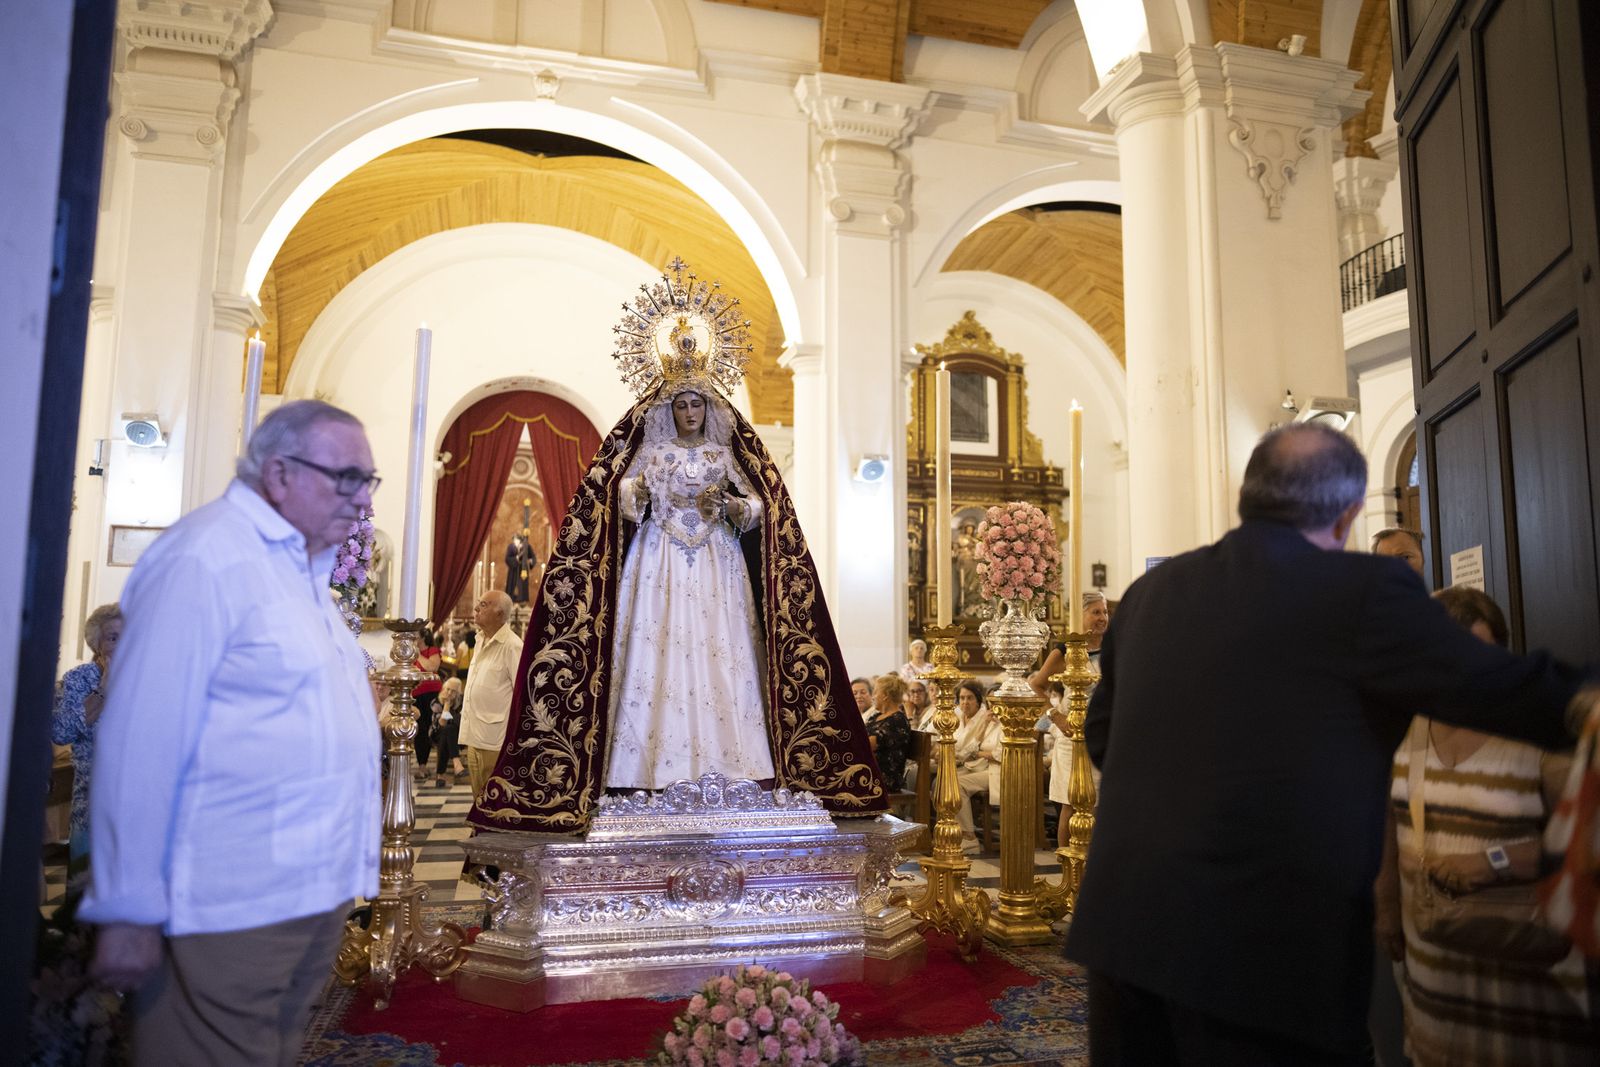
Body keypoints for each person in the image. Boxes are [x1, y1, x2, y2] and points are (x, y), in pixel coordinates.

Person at [1068, 422, 1597, 1065]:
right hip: (1270, 952)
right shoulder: (1364, 591)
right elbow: (1494, 684)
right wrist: (1583, 701)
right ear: (1348, 514)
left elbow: (1103, 736)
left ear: (1249, 495)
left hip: (1125, 935)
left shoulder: (1152, 593)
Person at [472, 265, 883, 833]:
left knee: (722, 654)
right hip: (659, 561)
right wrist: (637, 491)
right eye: (682, 404)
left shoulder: (723, 453)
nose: (690, 412)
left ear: (708, 408)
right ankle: (642, 770)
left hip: (716, 560)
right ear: (669, 408)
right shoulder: (651, 451)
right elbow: (618, 499)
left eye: (697, 404)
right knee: (657, 649)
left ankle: (738, 768)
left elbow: (761, 507)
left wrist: (731, 508)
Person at [81, 400, 381, 1067]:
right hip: (229, 896)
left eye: (369, 481)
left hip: (308, 888)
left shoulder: (297, 571)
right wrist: (127, 905)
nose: (362, 500)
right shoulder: (206, 558)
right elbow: (140, 740)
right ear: (279, 472)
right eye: (346, 478)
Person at [1382, 587, 1593, 1065]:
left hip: (1525, 985)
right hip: (1436, 993)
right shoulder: (1409, 727)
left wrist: (1490, 861)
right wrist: (1387, 904)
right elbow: (1391, 816)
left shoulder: (1538, 734)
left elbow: (1583, 845)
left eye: (1486, 659)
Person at [50, 602, 123, 865]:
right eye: (113, 638)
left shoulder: (147, 680)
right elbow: (60, 732)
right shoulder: (80, 679)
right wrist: (103, 690)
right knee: (83, 898)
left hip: (138, 812)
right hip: (91, 810)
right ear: (97, 645)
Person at [459, 590, 522, 800]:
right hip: (473, 735)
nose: (476, 609)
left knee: (494, 799)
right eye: (478, 603)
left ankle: (489, 832)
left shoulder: (512, 646)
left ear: (499, 613)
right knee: (478, 796)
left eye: (484, 605)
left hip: (495, 739)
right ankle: (479, 831)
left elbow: (520, 694)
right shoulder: (479, 640)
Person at [866, 674, 913, 792]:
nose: (873, 697)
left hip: (883, 779)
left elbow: (866, 746)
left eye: (875, 692)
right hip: (868, 772)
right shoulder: (875, 717)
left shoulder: (898, 720)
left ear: (885, 696)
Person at [412, 626, 443, 776]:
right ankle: (422, 766)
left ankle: (441, 768)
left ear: (423, 637)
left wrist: (418, 654)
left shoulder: (432, 650)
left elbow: (432, 667)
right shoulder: (410, 653)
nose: (412, 638)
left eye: (415, 635)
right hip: (416, 694)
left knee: (434, 728)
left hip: (432, 694)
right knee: (420, 730)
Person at [432, 676, 465, 788]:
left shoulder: (461, 703)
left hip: (458, 736)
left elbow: (459, 723)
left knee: (448, 731)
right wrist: (446, 704)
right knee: (446, 730)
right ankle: (456, 761)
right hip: (437, 733)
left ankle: (440, 775)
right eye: (448, 689)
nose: (450, 693)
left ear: (458, 693)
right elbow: (441, 724)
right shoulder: (436, 702)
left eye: (454, 691)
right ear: (443, 689)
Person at [505, 530, 537, 604]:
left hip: (523, 570)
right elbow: (507, 559)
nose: (515, 542)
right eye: (514, 540)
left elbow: (533, 557)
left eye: (517, 540)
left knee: (522, 586)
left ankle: (522, 602)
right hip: (513, 571)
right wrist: (516, 558)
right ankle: (511, 602)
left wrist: (531, 561)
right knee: (511, 586)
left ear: (520, 540)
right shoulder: (511, 547)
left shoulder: (527, 546)